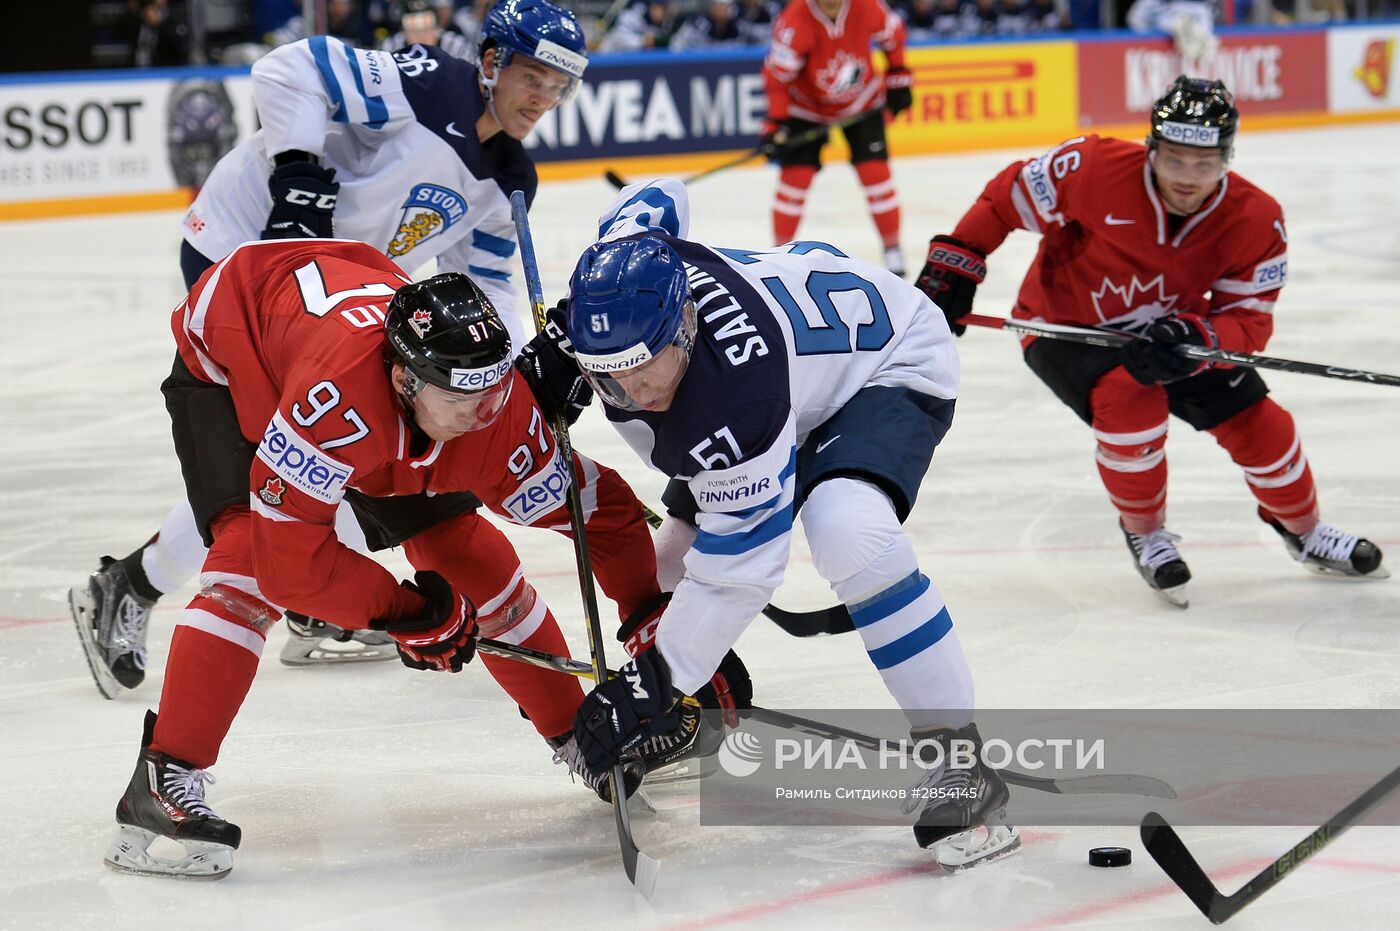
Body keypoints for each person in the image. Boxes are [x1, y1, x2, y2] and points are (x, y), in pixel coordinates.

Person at [71, 0, 591, 694]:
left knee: (332, 443)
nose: (544, 99)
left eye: (559, 87)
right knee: (284, 456)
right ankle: (132, 584)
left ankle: (273, 586)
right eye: (534, 77)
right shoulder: (424, 82)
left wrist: (518, 375)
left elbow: (488, 286)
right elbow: (286, 70)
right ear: (492, 62)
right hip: (244, 251)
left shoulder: (504, 179)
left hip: (334, 300)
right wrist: (298, 172)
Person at [104, 242, 659, 880]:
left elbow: (604, 512)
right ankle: (164, 775)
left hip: (358, 328)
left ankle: (578, 736)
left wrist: (651, 624)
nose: (482, 415)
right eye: (462, 400)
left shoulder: (489, 412)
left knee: (466, 554)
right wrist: (409, 612)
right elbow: (293, 569)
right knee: (246, 566)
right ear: (405, 381)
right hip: (239, 347)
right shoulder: (334, 409)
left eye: (494, 390)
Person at [559, 178, 1021, 870]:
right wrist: (554, 356)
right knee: (667, 568)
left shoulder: (732, 400)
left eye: (640, 371)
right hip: (799, 371)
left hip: (885, 362)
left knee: (848, 527)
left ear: (685, 323)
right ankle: (684, 726)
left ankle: (962, 759)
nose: (633, 397)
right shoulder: (628, 280)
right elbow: (659, 193)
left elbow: (743, 568)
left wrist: (655, 680)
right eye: (606, 379)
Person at [913, 76, 1386, 607]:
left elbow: (1248, 322)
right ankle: (1146, 531)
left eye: (1204, 164)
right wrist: (957, 261)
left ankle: (1304, 529)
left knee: (1265, 427)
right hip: (1068, 327)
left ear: (1227, 158)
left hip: (1175, 334)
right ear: (1151, 148)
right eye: (1175, 159)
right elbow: (1006, 199)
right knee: (1128, 403)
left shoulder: (1257, 218)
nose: (1187, 178)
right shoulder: (1090, 168)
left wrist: (1196, 334)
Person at [761, 0, 912, 276]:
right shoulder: (794, 22)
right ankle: (777, 257)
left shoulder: (867, 8)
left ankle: (893, 250)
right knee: (794, 182)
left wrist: (898, 74)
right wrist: (777, 123)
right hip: (806, 108)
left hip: (862, 102)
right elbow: (777, 78)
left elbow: (895, 34)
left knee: (876, 175)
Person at [380, 0, 476, 59]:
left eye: (427, 27)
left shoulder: (456, 46)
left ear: (438, 27)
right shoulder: (391, 47)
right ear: (402, 31)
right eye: (413, 28)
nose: (421, 34)